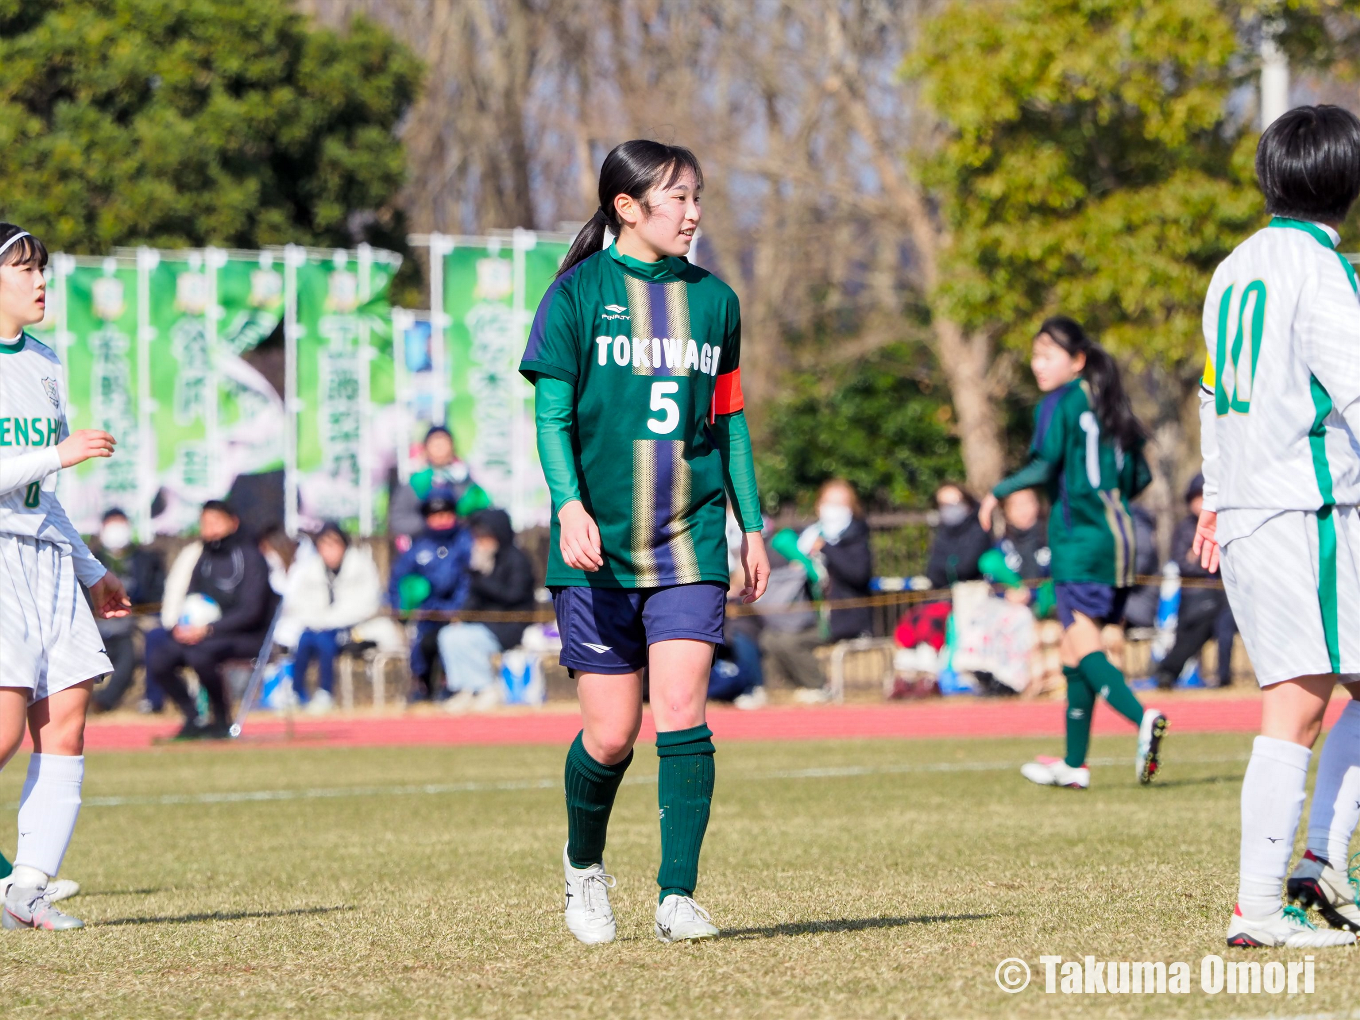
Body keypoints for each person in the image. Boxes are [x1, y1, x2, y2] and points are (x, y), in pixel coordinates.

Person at [519, 140, 768, 945]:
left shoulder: (717, 302)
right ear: (627, 207)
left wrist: (752, 525)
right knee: (612, 734)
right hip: (597, 546)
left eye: (698, 198)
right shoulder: (576, 295)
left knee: (682, 710)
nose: (693, 214)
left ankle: (677, 896)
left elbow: (728, 423)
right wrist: (568, 506)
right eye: (677, 199)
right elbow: (552, 417)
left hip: (691, 540)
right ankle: (583, 870)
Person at [1195, 105, 1360, 948]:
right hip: (1311, 511)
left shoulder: (1234, 268)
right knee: (1296, 705)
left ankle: (1320, 861)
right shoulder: (1323, 270)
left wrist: (1214, 497)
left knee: (1332, 691)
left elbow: (1209, 393)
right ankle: (1262, 906)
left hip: (1257, 509)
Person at [0, 222, 132, 930]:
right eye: (25, 270)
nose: (41, 281)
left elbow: (41, 495)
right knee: (4, 732)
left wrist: (92, 570)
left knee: (70, 714)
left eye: (43, 269)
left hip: (48, 557)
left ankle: (26, 891)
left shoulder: (45, 362)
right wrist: (60, 454)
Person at [979, 315, 1167, 791]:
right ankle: (1074, 764)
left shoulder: (1060, 402)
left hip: (1080, 536)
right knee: (1070, 649)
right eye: (1035, 355)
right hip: (1122, 535)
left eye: (1047, 355)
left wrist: (997, 490)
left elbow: (1044, 465)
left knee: (1082, 640)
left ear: (1077, 360)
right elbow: (1140, 478)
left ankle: (1143, 718)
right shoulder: (1112, 403)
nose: (1036, 364)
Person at [147, 501, 279, 739]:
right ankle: (193, 718)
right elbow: (192, 597)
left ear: (233, 523)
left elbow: (252, 611)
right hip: (204, 634)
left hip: (248, 637)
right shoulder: (204, 557)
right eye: (205, 523)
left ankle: (220, 719)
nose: (211, 529)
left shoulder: (251, 557)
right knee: (160, 655)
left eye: (216, 522)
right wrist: (184, 627)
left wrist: (209, 629)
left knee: (200, 654)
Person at [436, 508, 536, 711]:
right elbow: (473, 601)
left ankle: (487, 688)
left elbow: (513, 596)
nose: (481, 541)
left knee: (467, 639)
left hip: (510, 626)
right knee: (449, 635)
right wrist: (461, 617)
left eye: (486, 535)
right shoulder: (482, 561)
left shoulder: (518, 560)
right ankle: (465, 689)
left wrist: (481, 579)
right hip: (483, 625)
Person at [282, 522, 382, 713]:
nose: (329, 551)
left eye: (333, 545)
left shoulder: (360, 566)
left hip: (357, 626)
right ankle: (296, 692)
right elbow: (300, 602)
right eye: (323, 545)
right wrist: (316, 620)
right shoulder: (310, 569)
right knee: (305, 639)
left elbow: (367, 604)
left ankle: (325, 692)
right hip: (318, 625)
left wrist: (330, 621)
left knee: (325, 641)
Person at [1153, 474, 1236, 689]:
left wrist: (1199, 556)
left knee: (1226, 631)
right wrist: (1207, 562)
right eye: (1196, 498)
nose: (1200, 503)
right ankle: (1167, 673)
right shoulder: (1185, 528)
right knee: (1190, 637)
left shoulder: (1226, 524)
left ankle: (1224, 677)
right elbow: (1183, 562)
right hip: (1195, 597)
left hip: (1223, 593)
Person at [387, 491, 472, 700]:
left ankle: (449, 683)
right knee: (419, 643)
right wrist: (402, 606)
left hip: (456, 613)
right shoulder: (418, 546)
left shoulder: (465, 543)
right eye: (434, 514)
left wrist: (458, 609)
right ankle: (421, 685)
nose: (440, 519)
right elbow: (398, 579)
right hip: (425, 614)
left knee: (448, 640)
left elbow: (468, 581)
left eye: (445, 513)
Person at [89, 508, 166, 712]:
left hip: (129, 626)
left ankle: (102, 702)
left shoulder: (147, 560)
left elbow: (156, 596)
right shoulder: (87, 560)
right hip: (94, 626)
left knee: (129, 655)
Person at [387, 426, 489, 545]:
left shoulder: (465, 480)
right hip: (423, 547)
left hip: (460, 546)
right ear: (425, 448)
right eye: (435, 443)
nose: (439, 448)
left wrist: (459, 521)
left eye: (444, 442)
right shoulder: (416, 483)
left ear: (452, 446)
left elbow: (485, 513)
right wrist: (430, 524)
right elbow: (398, 519)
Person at [925, 483, 990, 589]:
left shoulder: (979, 530)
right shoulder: (942, 532)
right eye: (943, 504)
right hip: (944, 595)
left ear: (967, 503)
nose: (949, 508)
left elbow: (965, 568)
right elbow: (931, 571)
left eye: (954, 503)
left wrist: (946, 569)